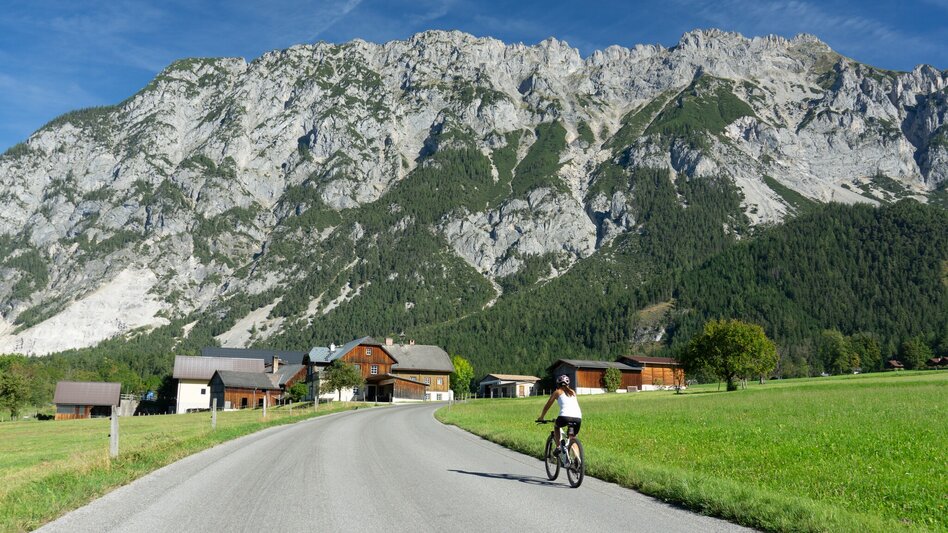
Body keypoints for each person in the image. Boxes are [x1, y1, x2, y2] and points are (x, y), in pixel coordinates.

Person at [537, 375, 582, 461]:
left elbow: (547, 406)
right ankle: (577, 458)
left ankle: (558, 447)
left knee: (556, 426)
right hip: (578, 418)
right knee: (572, 437)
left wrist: (541, 417)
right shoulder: (572, 392)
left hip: (565, 417)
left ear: (558, 384)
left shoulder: (557, 392)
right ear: (568, 384)